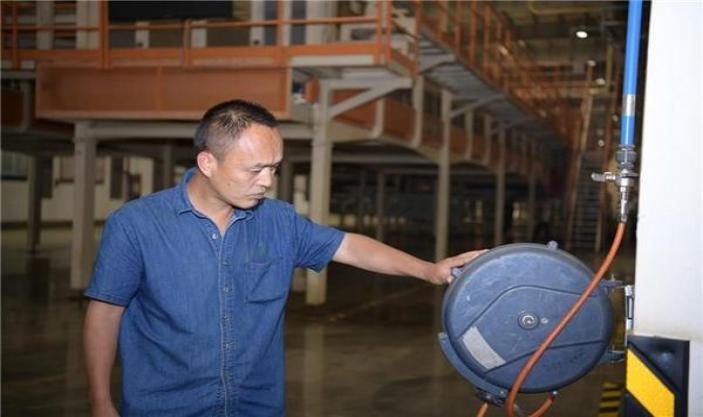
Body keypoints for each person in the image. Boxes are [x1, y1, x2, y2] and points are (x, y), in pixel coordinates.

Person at [83, 99, 486, 417]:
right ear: (208, 162)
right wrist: (101, 401)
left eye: (274, 168)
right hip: (166, 408)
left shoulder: (278, 221)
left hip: (256, 406)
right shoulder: (136, 225)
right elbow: (105, 314)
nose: (267, 182)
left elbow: (348, 246)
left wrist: (428, 269)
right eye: (255, 169)